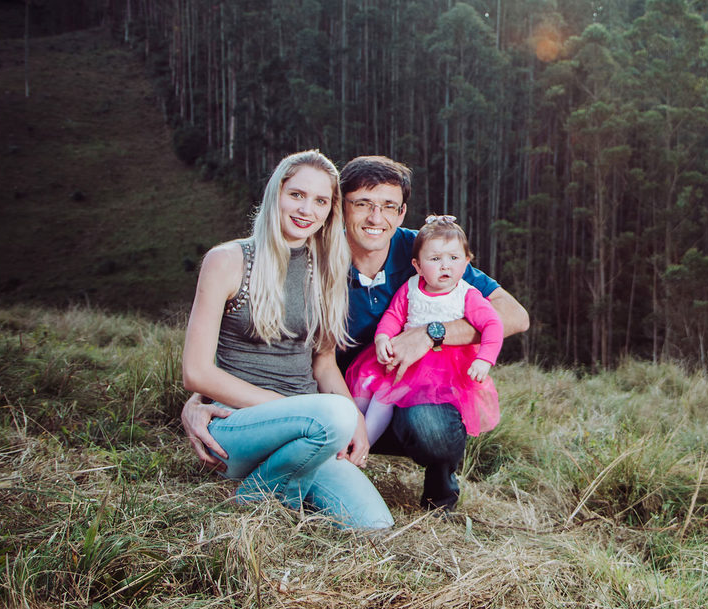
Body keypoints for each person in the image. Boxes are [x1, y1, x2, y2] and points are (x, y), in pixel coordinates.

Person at [183, 155, 530, 511]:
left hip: (395, 394)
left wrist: (431, 332)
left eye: (388, 207)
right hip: (331, 404)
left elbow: (515, 316)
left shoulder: (425, 252)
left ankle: (438, 488)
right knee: (335, 422)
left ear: (401, 212)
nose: (375, 218)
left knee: (417, 454)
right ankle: (269, 493)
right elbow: (222, 358)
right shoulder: (323, 258)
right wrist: (198, 400)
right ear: (342, 208)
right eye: (362, 204)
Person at [180, 150, 393, 530]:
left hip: (312, 429)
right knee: (333, 416)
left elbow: (323, 363)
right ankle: (262, 503)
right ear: (275, 193)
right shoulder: (227, 260)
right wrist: (300, 413)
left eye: (320, 200)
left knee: (373, 524)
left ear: (330, 211)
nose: (306, 209)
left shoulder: (328, 269)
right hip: (238, 425)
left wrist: (355, 421)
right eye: (296, 194)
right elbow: (196, 373)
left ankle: (264, 490)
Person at [346, 214, 503, 444]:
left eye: (453, 258)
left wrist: (484, 359)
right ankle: (347, 434)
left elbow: (492, 324)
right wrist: (382, 338)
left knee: (384, 398)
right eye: (435, 259)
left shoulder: (466, 294)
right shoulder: (411, 288)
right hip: (402, 359)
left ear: (467, 261)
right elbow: (393, 315)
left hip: (442, 368)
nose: (445, 265)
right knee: (366, 387)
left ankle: (362, 445)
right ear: (417, 266)